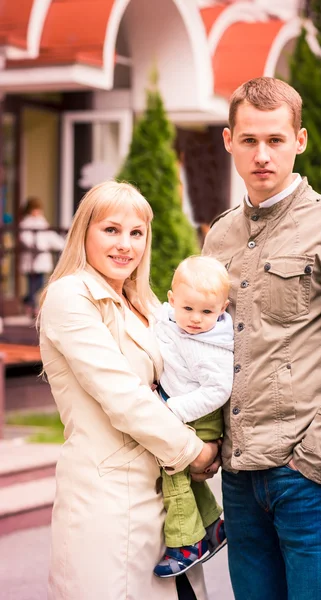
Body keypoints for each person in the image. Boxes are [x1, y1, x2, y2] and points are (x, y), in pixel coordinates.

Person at [203, 77, 321, 600]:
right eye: (249, 141)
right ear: (229, 142)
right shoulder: (219, 235)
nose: (262, 154)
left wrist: (316, 458)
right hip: (241, 480)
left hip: (311, 479)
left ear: (300, 140)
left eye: (275, 140)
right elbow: (213, 343)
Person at [39, 181, 219, 600]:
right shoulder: (71, 297)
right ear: (85, 231)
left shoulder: (149, 305)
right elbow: (123, 396)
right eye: (111, 230)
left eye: (136, 233)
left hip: (165, 502)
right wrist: (197, 452)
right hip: (108, 502)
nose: (126, 245)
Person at [153, 256, 233, 578]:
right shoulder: (169, 319)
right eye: (187, 309)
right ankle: (213, 525)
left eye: (207, 312)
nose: (196, 319)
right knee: (184, 476)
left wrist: (173, 410)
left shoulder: (212, 347)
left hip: (199, 412)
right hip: (182, 402)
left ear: (223, 309)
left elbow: (218, 391)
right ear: (172, 301)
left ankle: (187, 544)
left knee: (173, 471)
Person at [19, 197, 65, 317]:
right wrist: (36, 246)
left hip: (41, 259)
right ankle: (31, 306)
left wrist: (63, 245)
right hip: (32, 258)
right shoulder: (25, 224)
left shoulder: (42, 223)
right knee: (33, 283)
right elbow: (26, 238)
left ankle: (27, 300)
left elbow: (51, 237)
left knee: (40, 283)